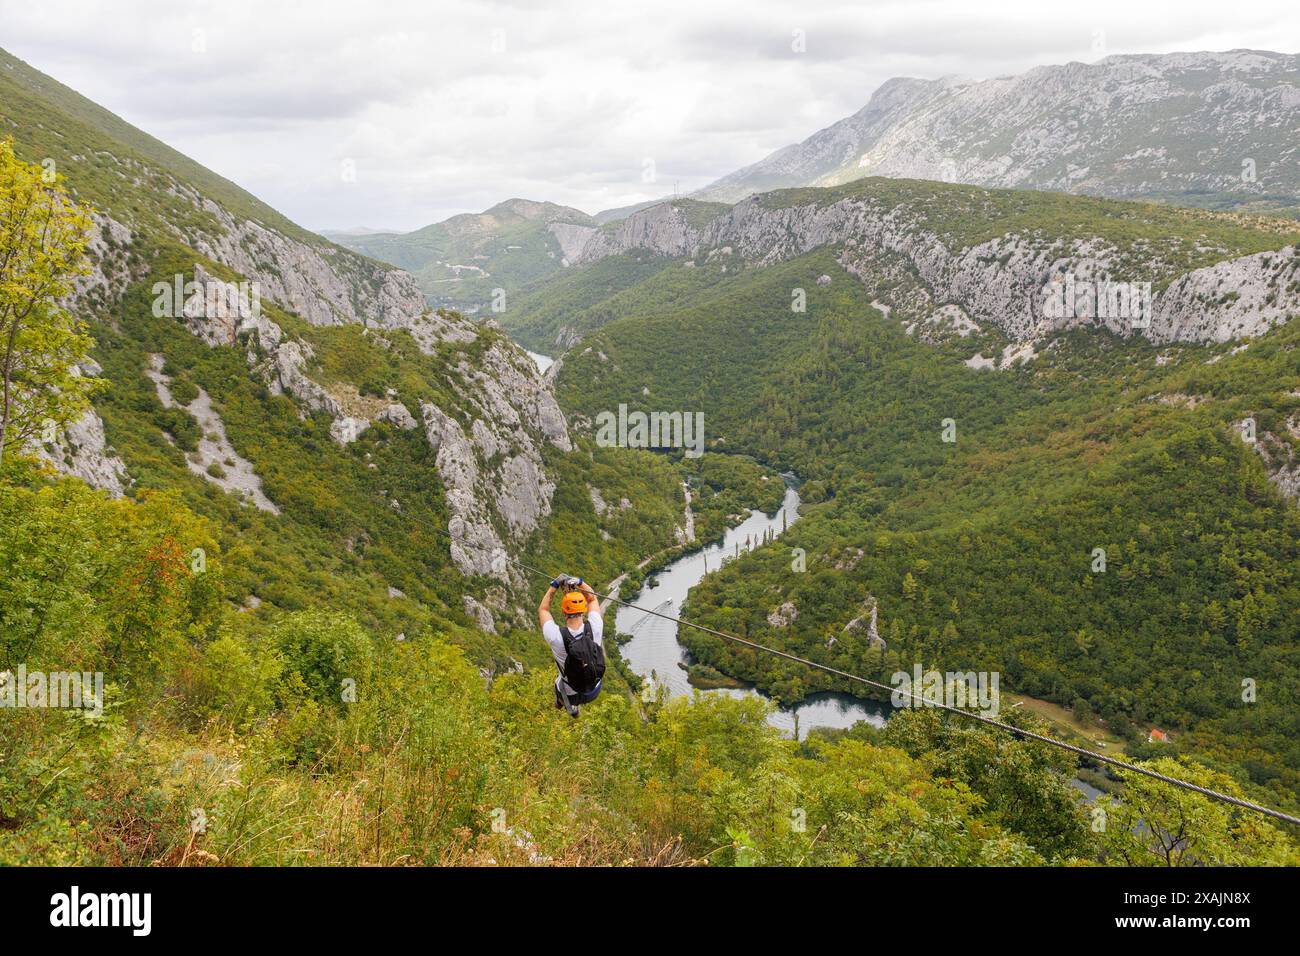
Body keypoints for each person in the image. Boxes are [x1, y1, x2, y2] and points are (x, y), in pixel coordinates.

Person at [538, 577, 606, 717]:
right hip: (594, 689)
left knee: (559, 683)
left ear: (563, 612)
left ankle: (562, 703)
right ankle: (569, 705)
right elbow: (592, 599)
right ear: (584, 610)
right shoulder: (595, 626)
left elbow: (543, 609)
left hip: (571, 694)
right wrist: (580, 582)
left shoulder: (556, 636)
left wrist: (554, 586)